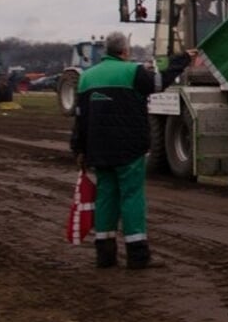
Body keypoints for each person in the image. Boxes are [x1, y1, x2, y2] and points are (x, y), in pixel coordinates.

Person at [69, 32, 190, 270]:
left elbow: (80, 120)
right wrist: (183, 59)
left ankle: (105, 255)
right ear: (124, 51)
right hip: (129, 149)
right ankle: (138, 256)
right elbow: (160, 82)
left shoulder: (86, 78)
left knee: (105, 197)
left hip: (99, 150)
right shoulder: (133, 72)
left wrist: (79, 150)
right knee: (132, 197)